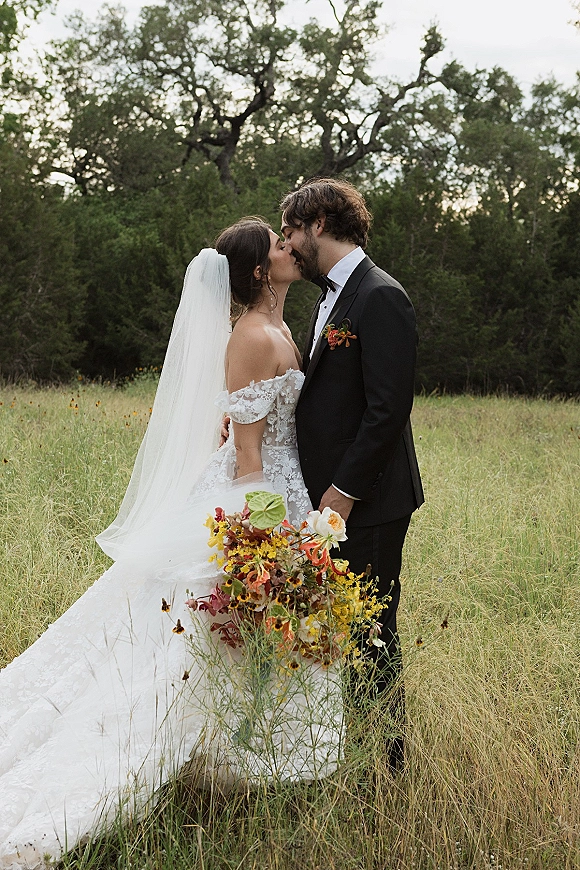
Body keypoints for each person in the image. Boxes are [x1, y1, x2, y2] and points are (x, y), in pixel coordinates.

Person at [0, 218, 342, 869]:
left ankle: (248, 764)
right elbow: (245, 456)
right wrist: (263, 538)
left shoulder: (280, 326)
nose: (288, 247)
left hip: (284, 486)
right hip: (256, 499)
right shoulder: (249, 336)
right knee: (196, 641)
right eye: (276, 243)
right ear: (258, 272)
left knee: (248, 641)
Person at [280, 178, 424, 764]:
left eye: (290, 230)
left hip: (371, 502)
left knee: (372, 633)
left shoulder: (379, 295)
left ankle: (385, 768)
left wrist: (342, 492)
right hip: (329, 502)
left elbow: (388, 410)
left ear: (317, 223)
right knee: (342, 631)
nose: (287, 245)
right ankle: (345, 752)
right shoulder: (332, 297)